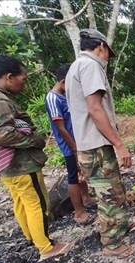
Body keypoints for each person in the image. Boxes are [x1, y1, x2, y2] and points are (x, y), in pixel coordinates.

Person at [0, 55, 71, 260]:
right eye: (23, 78)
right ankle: (46, 247)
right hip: (20, 164)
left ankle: (32, 237)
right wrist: (34, 141)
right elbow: (1, 134)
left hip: (6, 166)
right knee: (37, 203)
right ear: (9, 77)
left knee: (21, 201)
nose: (24, 82)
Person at [65, 29, 135, 258]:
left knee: (111, 190)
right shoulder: (90, 66)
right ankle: (112, 244)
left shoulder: (76, 66)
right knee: (109, 194)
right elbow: (95, 109)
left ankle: (119, 226)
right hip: (96, 144)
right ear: (101, 47)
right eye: (108, 53)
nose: (107, 59)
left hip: (90, 144)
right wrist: (119, 144)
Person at [45, 63, 97, 225]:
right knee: (73, 177)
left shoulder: (64, 97)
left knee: (80, 173)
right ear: (62, 82)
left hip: (78, 143)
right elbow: (60, 127)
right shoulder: (53, 99)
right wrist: (74, 148)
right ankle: (79, 212)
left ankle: (86, 198)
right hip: (70, 146)